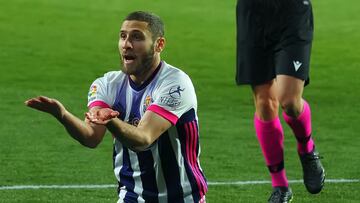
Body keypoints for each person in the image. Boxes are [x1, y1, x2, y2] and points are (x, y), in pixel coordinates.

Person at [25, 11, 207, 203]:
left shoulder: (175, 84)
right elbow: (91, 137)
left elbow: (143, 138)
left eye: (137, 37)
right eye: (123, 36)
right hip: (131, 197)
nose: (126, 44)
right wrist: (62, 115)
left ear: (159, 44)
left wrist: (111, 121)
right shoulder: (107, 84)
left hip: (182, 199)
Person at [235, 0, 325, 202]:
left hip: (291, 14)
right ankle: (280, 186)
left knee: (290, 101)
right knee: (265, 103)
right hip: (253, 15)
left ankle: (307, 149)